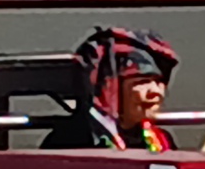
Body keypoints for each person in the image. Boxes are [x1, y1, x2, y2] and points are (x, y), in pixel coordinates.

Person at [43, 26, 181, 152]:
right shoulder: (69, 141)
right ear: (108, 88)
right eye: (142, 82)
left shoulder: (161, 141)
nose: (156, 92)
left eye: (160, 82)